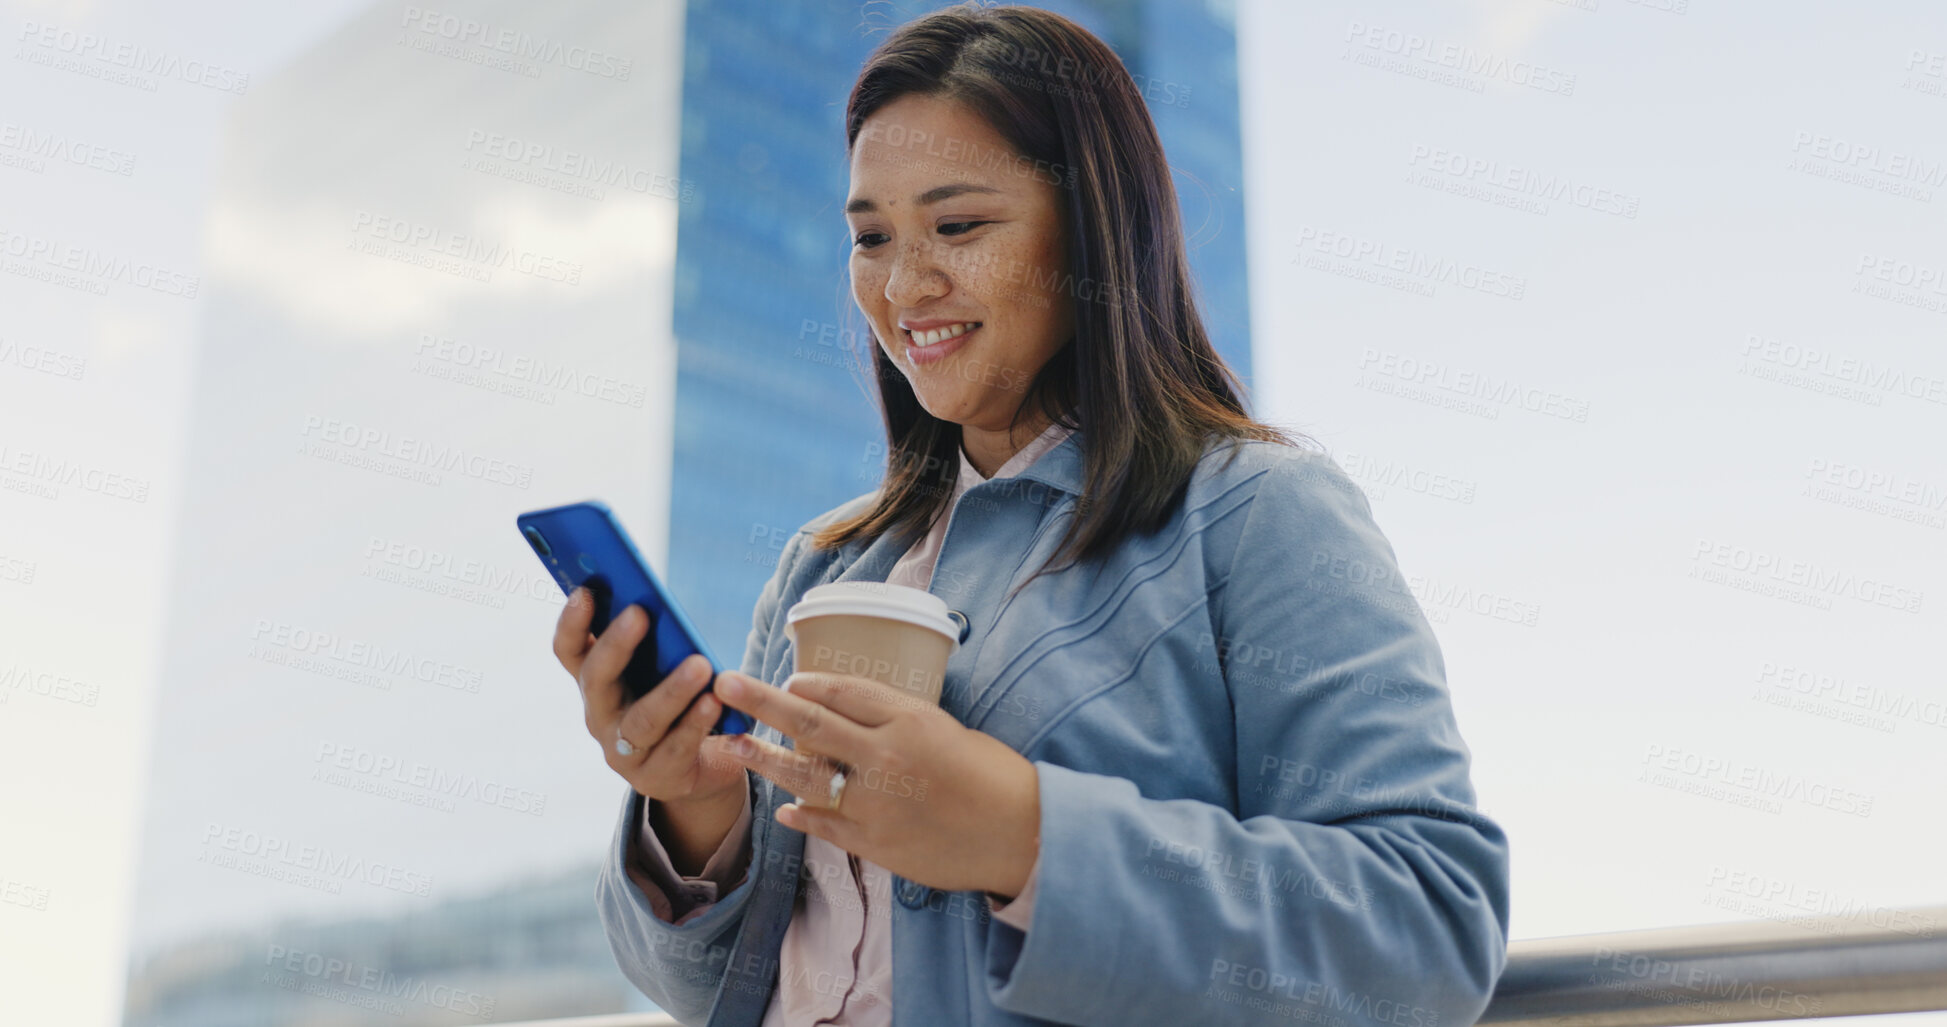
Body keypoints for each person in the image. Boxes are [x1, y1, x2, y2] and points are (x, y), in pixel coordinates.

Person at [552, 4, 1511, 1025]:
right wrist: (695, 811)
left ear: (1091, 229)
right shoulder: (824, 566)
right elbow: (723, 993)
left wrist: (1023, 835)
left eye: (957, 225)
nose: (904, 284)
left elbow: (1430, 926)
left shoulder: (1257, 515)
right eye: (871, 235)